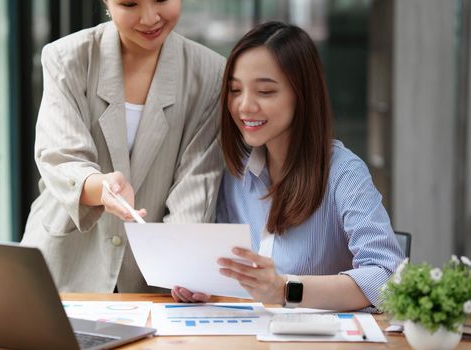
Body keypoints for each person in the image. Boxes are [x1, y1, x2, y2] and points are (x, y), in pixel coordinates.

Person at [172, 21, 404, 311]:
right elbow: (234, 270)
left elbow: (386, 278)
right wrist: (207, 283)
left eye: (265, 92)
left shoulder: (344, 173)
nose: (244, 105)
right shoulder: (235, 173)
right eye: (234, 90)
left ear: (301, 95)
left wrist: (285, 289)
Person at [21, 0, 225, 293]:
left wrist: (183, 267)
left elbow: (196, 182)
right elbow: (61, 157)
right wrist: (100, 187)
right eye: (129, 4)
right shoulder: (67, 57)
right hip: (66, 262)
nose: (149, 17)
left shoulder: (210, 73)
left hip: (153, 276)